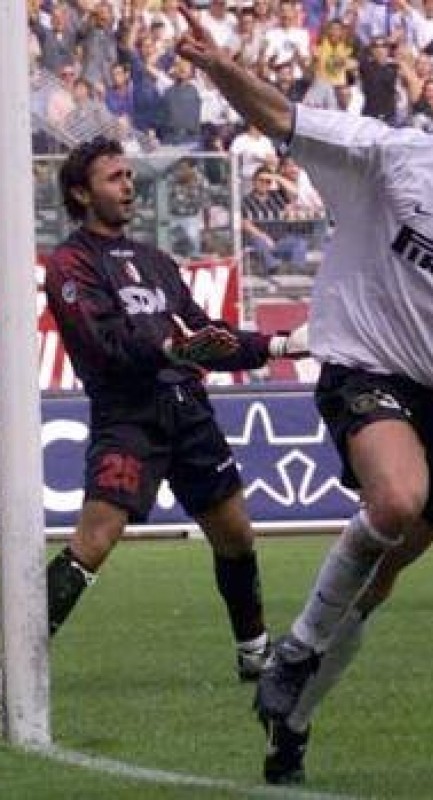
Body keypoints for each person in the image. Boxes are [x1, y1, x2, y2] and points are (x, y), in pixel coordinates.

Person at [177, 9, 433, 786]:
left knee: (378, 583)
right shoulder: (390, 157)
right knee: (397, 500)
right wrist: (217, 66)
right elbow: (282, 116)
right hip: (366, 364)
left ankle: (292, 723)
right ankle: (293, 652)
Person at [45, 136, 309, 683]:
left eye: (127, 175)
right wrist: (173, 350)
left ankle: (254, 651)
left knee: (235, 533)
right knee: (94, 540)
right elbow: (104, 348)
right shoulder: (71, 264)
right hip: (128, 416)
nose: (127, 185)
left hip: (188, 411)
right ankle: (15, 660)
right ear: (80, 191)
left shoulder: (155, 260)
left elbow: (205, 334)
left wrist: (280, 346)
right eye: (114, 177)